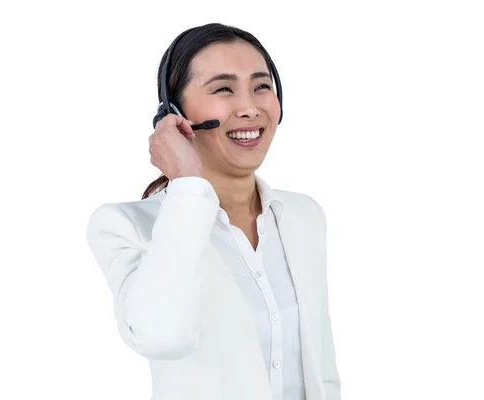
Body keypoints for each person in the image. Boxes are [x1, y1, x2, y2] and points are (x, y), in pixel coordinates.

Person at [86, 22, 341, 400]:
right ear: (174, 113)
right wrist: (187, 185)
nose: (250, 107)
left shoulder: (304, 215)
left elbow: (322, 369)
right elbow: (162, 337)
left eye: (262, 86)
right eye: (223, 89)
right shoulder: (127, 226)